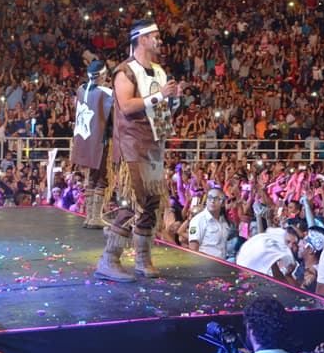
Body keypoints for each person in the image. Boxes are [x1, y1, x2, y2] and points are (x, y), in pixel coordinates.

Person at [96, 18, 182, 282]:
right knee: (133, 203)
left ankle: (143, 259)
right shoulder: (125, 71)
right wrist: (159, 97)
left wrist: (174, 100)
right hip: (131, 145)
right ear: (142, 39)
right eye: (155, 35)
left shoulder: (158, 71)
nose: (159, 39)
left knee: (152, 205)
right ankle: (108, 260)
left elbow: (161, 110)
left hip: (154, 143)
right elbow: (126, 105)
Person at [70, 58, 112, 229]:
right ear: (102, 75)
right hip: (98, 141)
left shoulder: (80, 89)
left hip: (84, 140)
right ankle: (95, 217)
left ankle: (89, 216)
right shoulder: (105, 92)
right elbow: (114, 115)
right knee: (101, 178)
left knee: (91, 178)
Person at [188, 188, 233, 259]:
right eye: (210, 198)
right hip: (205, 265)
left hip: (221, 264)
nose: (212, 201)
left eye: (217, 198)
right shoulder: (199, 220)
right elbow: (193, 249)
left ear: (222, 203)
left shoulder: (224, 221)